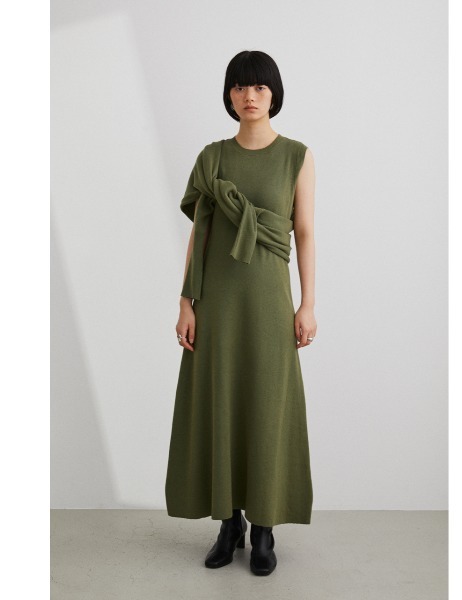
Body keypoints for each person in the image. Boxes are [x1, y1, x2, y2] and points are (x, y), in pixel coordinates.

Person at [165, 50, 317, 576]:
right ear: (228, 95)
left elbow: (304, 233)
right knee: (221, 405)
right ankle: (229, 524)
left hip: (270, 306)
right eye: (238, 86)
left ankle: (265, 529)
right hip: (217, 304)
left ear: (274, 94)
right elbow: (199, 234)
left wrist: (308, 303)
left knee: (266, 408)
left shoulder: (297, 156)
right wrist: (185, 301)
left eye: (259, 87)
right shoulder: (212, 158)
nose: (249, 96)